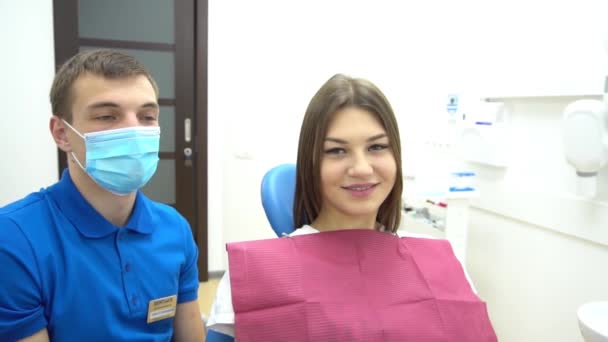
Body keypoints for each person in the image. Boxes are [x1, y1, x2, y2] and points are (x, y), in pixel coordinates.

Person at [207, 74, 496, 340]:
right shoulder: (255, 277)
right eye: (337, 151)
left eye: (377, 147)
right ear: (311, 163)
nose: (361, 168)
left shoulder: (442, 265)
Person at [0, 50, 205, 341]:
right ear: (61, 133)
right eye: (107, 116)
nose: (133, 130)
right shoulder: (14, 239)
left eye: (147, 116)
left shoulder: (174, 229)